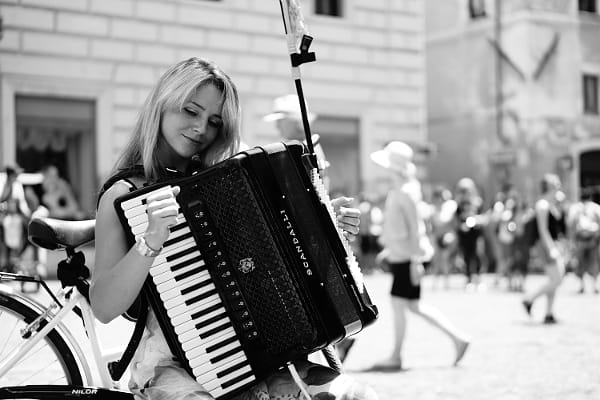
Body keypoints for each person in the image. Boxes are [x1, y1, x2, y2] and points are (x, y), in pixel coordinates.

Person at [90, 57, 377, 400]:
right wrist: (149, 242)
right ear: (162, 105)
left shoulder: (228, 181)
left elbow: (278, 261)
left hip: (260, 356)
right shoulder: (124, 194)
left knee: (356, 397)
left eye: (214, 122)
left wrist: (326, 228)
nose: (201, 128)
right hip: (170, 366)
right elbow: (104, 307)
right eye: (190, 111)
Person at [263, 93, 356, 363]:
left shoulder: (307, 149)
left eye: (281, 120)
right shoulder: (299, 146)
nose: (277, 126)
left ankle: (335, 342)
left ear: (294, 121)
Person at [370, 141, 470, 371]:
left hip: (407, 258)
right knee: (412, 306)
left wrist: (415, 261)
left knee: (401, 304)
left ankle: (396, 356)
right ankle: (457, 339)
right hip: (404, 256)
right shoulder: (403, 190)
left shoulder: (405, 192)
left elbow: (415, 229)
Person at [522, 174, 567, 324]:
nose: (559, 186)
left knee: (553, 279)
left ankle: (549, 313)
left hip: (551, 244)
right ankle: (529, 299)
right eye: (556, 183)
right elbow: (543, 230)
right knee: (558, 279)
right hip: (546, 246)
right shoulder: (542, 204)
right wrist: (551, 249)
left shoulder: (550, 204)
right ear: (549, 186)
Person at [453, 177, 486, 291]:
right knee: (467, 256)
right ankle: (469, 279)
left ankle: (478, 278)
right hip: (464, 235)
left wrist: (476, 219)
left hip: (476, 233)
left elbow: (484, 217)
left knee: (478, 255)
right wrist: (462, 225)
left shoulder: (478, 203)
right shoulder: (458, 205)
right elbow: (457, 220)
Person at [565, 188, 600, 294]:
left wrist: (571, 240)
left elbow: (570, 224)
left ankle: (582, 286)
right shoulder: (596, 207)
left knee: (581, 263)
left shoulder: (575, 208)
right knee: (593, 262)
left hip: (580, 239)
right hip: (592, 239)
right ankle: (594, 286)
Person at [0, 165, 31, 272]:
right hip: (3, 217)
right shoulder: (2, 183)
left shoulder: (17, 185)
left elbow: (22, 205)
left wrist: (28, 216)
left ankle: (15, 260)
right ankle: (5, 263)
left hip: (16, 217)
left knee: (28, 232)